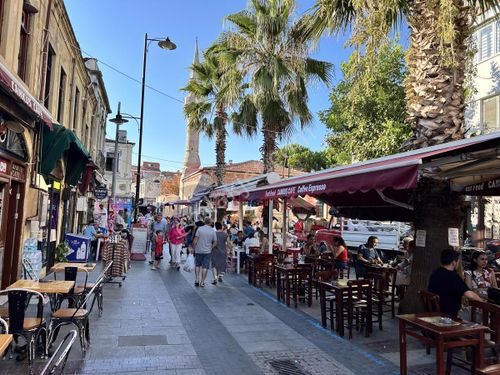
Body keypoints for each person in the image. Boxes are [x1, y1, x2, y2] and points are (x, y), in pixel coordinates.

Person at [428, 248, 483, 317]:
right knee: (476, 314)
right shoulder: (452, 276)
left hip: (435, 310)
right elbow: (468, 294)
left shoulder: (435, 272)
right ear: (454, 262)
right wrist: (482, 302)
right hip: (448, 314)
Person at [192, 217, 217, 287]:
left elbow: (195, 240)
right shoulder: (212, 231)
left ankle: (196, 280)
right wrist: (211, 247)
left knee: (197, 265)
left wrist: (193, 247)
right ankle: (203, 282)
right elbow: (215, 242)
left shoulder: (200, 229)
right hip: (207, 251)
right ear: (210, 223)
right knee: (205, 267)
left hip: (198, 250)